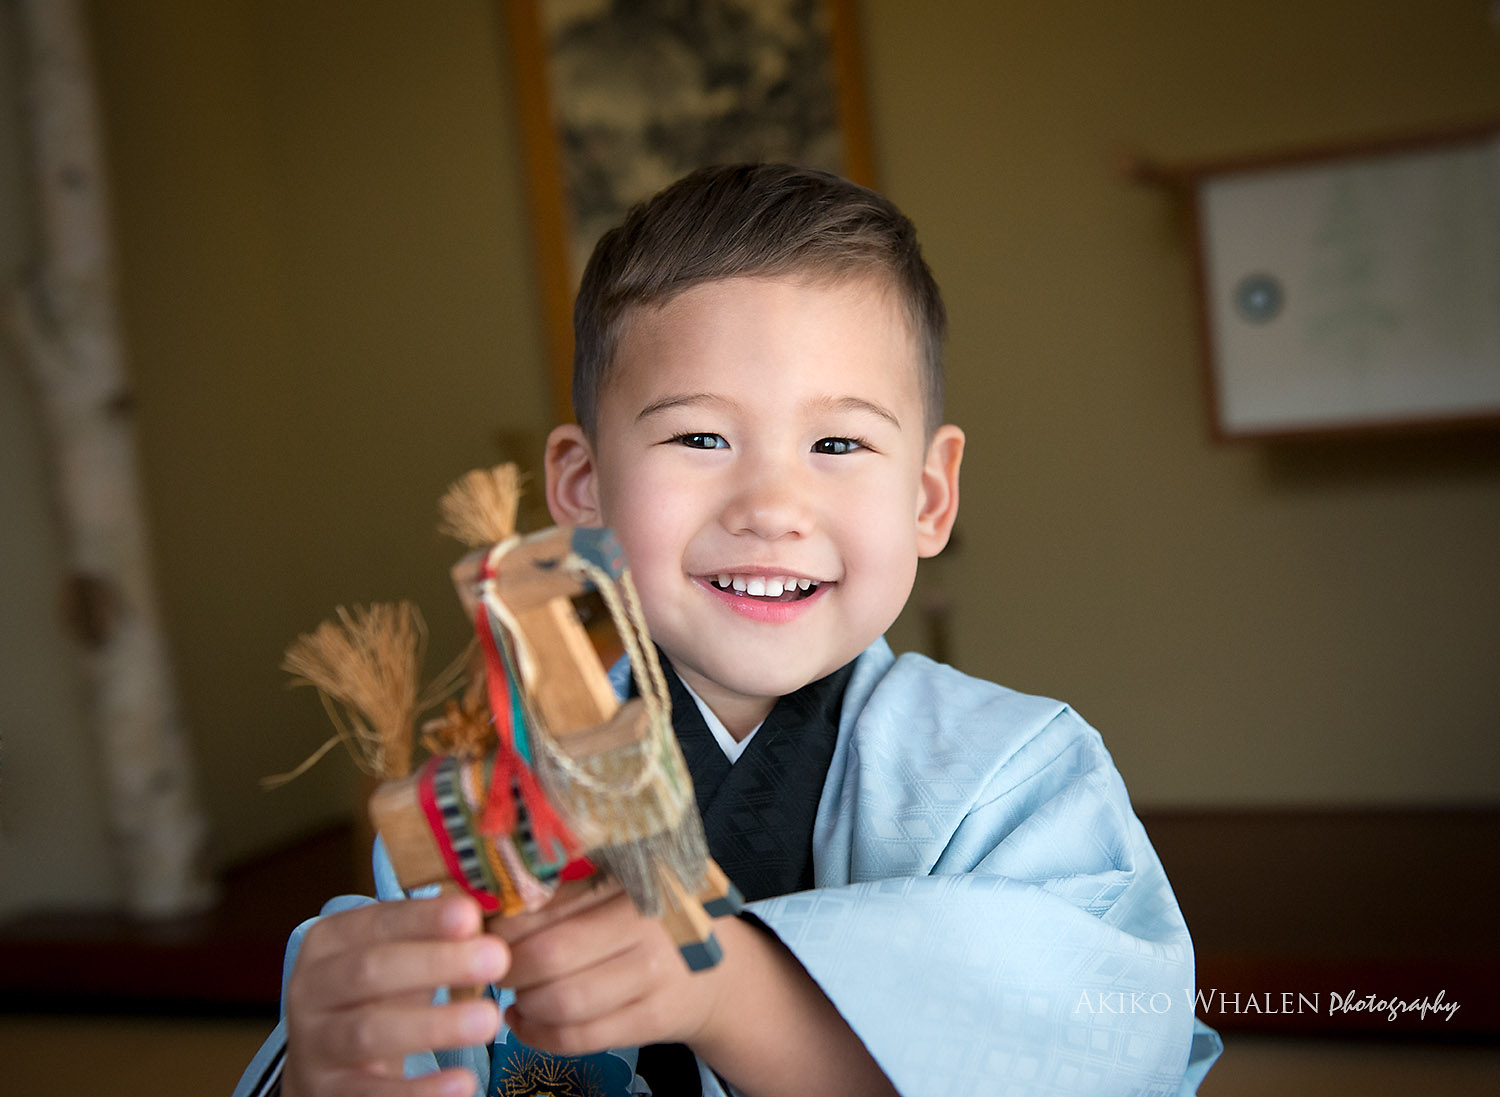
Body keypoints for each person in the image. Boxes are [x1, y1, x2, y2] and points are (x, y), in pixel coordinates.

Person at [234, 163, 1221, 1097]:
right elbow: (396, 1035)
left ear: (928, 495)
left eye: (838, 441)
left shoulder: (1013, 772)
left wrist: (732, 991)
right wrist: (333, 1063)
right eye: (700, 436)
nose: (771, 505)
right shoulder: (491, 788)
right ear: (582, 487)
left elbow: (1107, 1029)